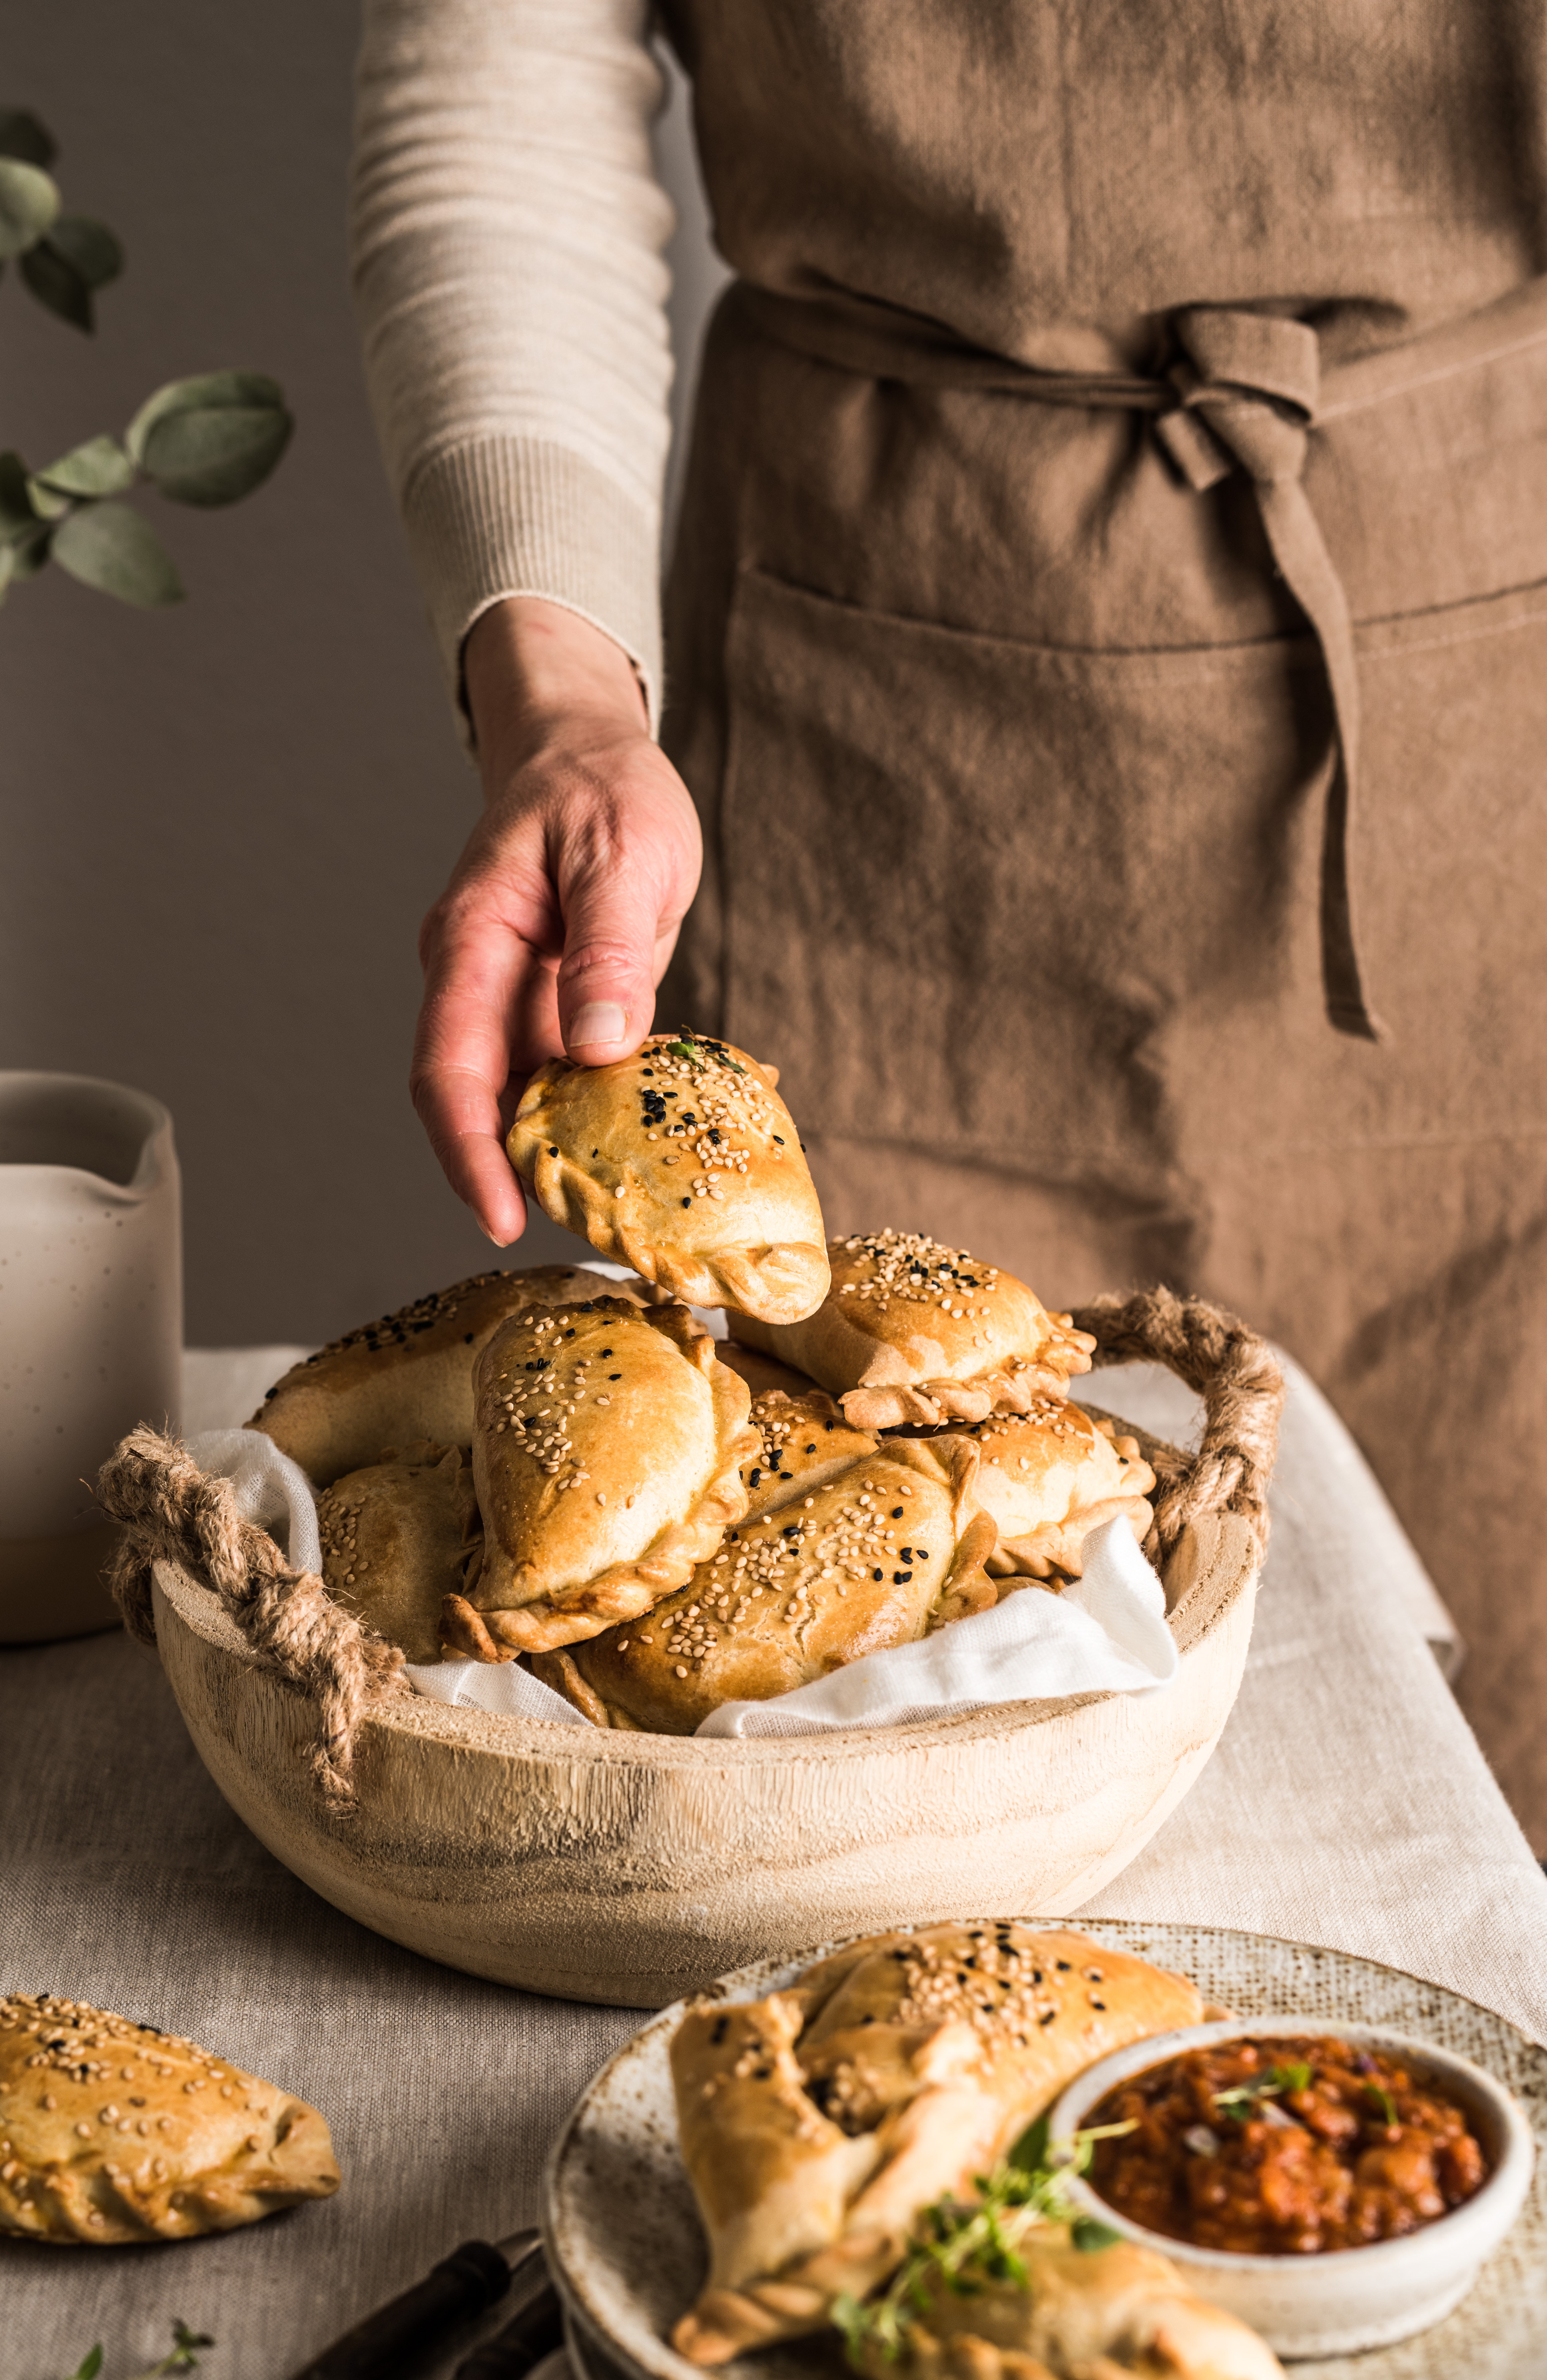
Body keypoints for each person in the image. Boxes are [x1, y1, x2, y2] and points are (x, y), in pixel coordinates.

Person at [350, 0, 1547, 1842]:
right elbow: (507, 84)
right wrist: (567, 710)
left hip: (1477, 678)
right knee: (805, 1753)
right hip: (870, 719)